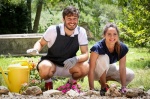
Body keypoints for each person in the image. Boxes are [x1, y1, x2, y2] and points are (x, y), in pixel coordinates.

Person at [27, 5, 89, 91]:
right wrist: (36, 49)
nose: (72, 21)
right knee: (44, 67)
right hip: (52, 64)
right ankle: (48, 83)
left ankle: (71, 83)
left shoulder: (81, 32)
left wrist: (75, 59)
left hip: (69, 65)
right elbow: (40, 43)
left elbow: (85, 54)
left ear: (78, 19)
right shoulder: (53, 30)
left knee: (86, 66)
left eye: (75, 18)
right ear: (63, 19)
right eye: (69, 18)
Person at [88, 23, 134, 96]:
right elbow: (91, 69)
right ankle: (103, 86)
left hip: (107, 69)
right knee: (104, 57)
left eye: (115, 34)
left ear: (118, 35)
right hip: (95, 73)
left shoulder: (122, 47)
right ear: (104, 35)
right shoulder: (97, 47)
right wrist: (91, 89)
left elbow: (122, 68)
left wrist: (123, 87)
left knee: (130, 74)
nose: (112, 36)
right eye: (109, 34)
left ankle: (105, 80)